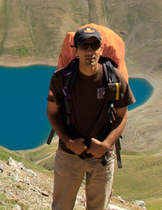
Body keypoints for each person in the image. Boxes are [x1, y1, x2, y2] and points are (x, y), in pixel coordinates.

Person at [46, 26, 135, 210]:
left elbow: (121, 115)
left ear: (101, 49)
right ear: (75, 50)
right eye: (83, 45)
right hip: (69, 154)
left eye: (94, 45)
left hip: (102, 157)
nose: (89, 51)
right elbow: (52, 112)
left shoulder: (115, 79)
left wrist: (106, 144)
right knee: (61, 206)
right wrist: (69, 142)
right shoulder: (61, 79)